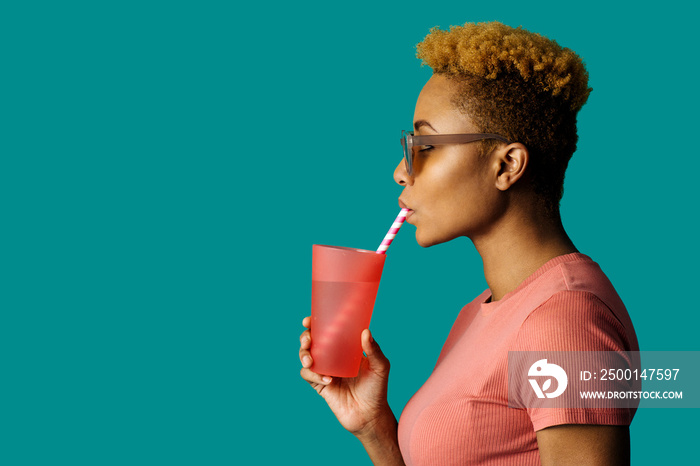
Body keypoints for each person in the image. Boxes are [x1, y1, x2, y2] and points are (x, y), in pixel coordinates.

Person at [299, 21, 639, 465]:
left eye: (426, 145)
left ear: (507, 165)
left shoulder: (565, 321)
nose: (401, 172)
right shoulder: (484, 311)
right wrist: (375, 427)